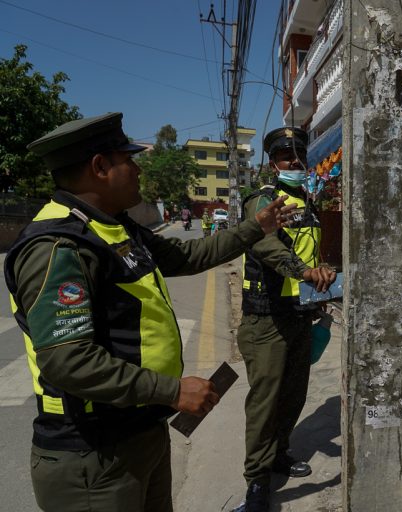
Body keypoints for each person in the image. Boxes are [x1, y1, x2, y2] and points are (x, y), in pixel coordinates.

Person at [4, 112, 295, 512]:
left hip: (140, 432)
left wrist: (254, 228)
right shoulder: (58, 247)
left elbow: (188, 255)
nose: (139, 169)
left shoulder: (116, 228)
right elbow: (68, 361)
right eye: (129, 160)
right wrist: (172, 390)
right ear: (100, 167)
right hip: (95, 456)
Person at [233, 126, 336, 512]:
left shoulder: (306, 201)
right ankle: (257, 483)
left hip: (299, 316)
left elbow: (311, 252)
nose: (295, 161)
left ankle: (279, 452)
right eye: (285, 155)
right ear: (272, 161)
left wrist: (320, 278)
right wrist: (304, 272)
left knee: (293, 395)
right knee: (265, 402)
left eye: (299, 155)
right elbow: (266, 246)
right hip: (266, 319)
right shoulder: (262, 201)